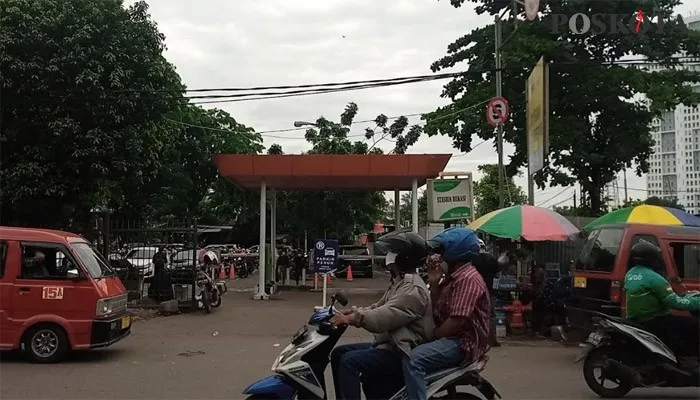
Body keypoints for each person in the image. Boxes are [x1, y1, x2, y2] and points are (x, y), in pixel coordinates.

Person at [329, 231, 434, 400]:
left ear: (404, 258)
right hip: (390, 344)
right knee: (338, 353)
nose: (389, 256)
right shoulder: (400, 282)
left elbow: (385, 316)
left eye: (394, 252)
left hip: (403, 349)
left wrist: (354, 319)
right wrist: (353, 312)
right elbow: (378, 306)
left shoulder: (413, 289)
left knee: (349, 362)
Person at [403, 228, 491, 400]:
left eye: (441, 251)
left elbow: (456, 321)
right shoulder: (452, 278)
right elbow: (435, 310)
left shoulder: (467, 279)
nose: (438, 256)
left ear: (455, 252)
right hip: (451, 337)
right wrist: (434, 283)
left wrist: (433, 336)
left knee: (414, 359)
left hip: (462, 342)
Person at [624, 241, 700, 364]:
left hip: (637, 318)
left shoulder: (631, 273)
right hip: (654, 319)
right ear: (650, 258)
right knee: (695, 325)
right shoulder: (653, 278)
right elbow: (675, 303)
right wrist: (697, 302)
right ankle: (685, 361)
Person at [472, 251, 501, 347]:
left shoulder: (473, 259)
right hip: (489, 290)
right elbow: (497, 270)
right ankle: (491, 339)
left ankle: (480, 339)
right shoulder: (490, 259)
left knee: (476, 314)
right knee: (491, 316)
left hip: (476, 289)